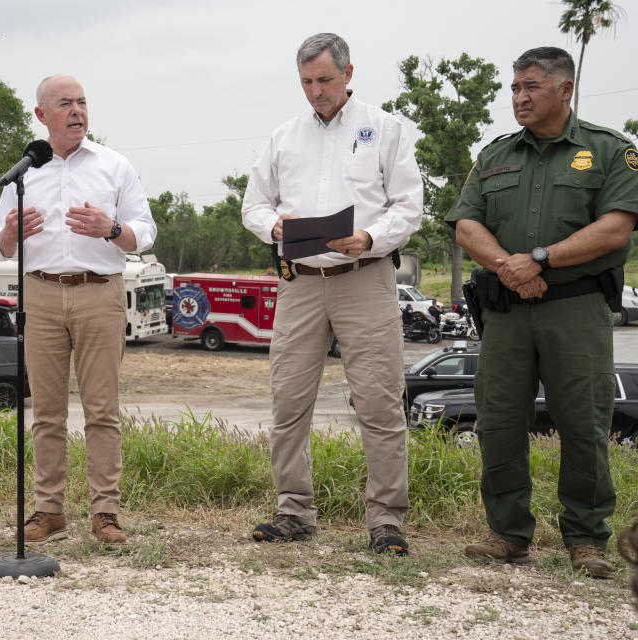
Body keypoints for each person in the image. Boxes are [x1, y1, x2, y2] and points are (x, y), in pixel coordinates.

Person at [446, 47, 638, 578]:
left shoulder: (609, 151)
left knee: (584, 423)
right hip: (507, 312)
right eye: (514, 88)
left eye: (531, 86)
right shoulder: (495, 156)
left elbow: (616, 227)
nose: (519, 97)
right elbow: (466, 225)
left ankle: (586, 538)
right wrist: (510, 268)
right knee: (500, 421)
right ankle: (508, 534)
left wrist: (540, 261)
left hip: (575, 309)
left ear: (565, 90)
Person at [241, 33, 423, 554]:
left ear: (348, 74)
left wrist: (369, 237)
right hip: (299, 284)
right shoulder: (283, 136)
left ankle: (386, 520)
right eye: (306, 82)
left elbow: (408, 206)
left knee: (379, 402)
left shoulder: (385, 129)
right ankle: (294, 512)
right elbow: (254, 205)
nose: (315, 91)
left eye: (324, 80)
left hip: (363, 278)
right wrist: (274, 227)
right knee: (288, 401)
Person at [0, 75, 156, 544]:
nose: (77, 111)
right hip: (39, 295)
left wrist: (110, 227)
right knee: (47, 412)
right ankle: (49, 511)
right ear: (42, 116)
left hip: (99, 292)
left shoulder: (114, 166)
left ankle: (105, 512)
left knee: (102, 409)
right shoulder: (24, 172)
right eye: (66, 104)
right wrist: (9, 234)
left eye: (82, 103)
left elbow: (145, 233)